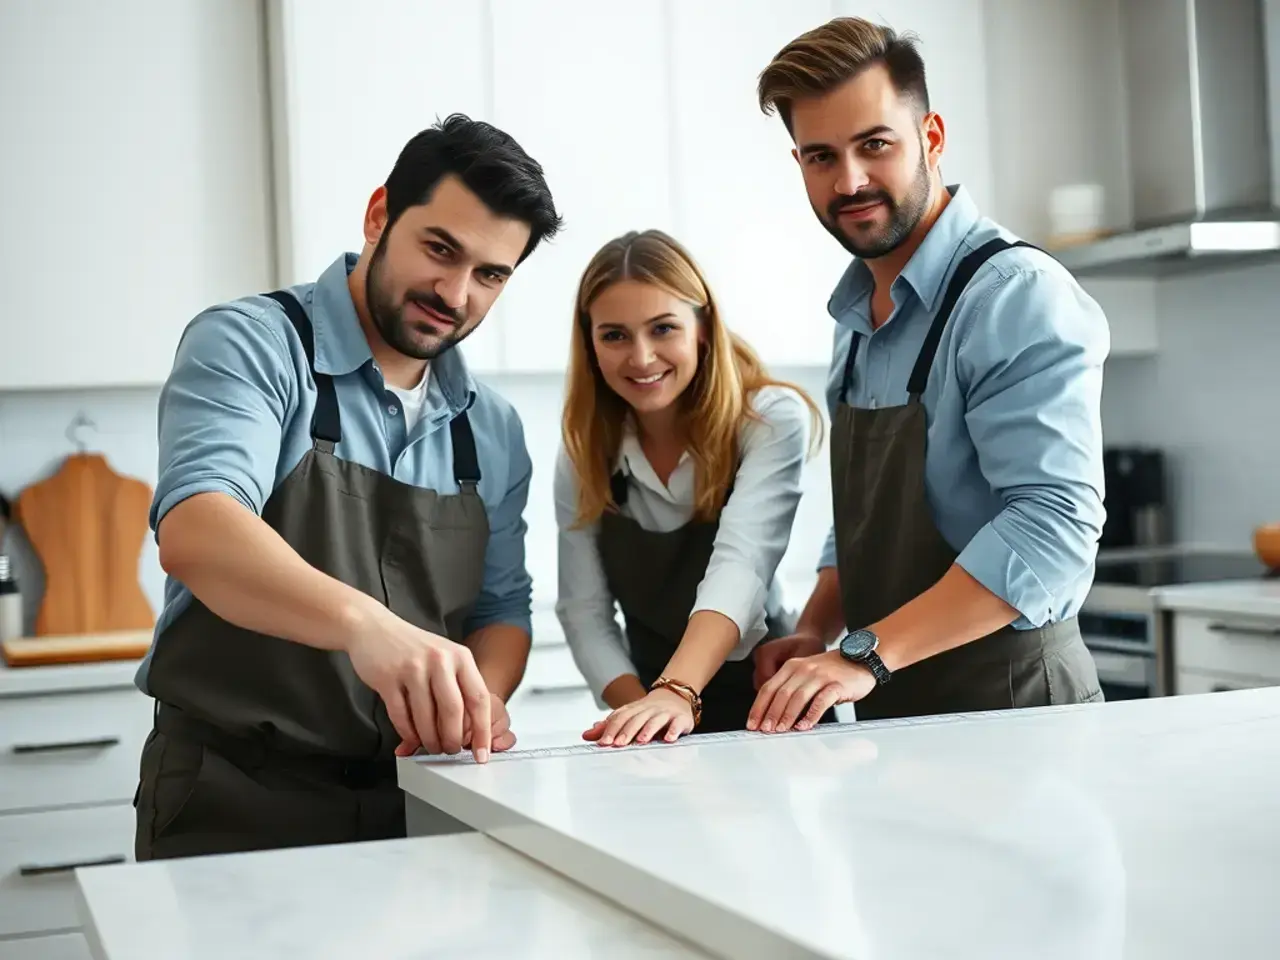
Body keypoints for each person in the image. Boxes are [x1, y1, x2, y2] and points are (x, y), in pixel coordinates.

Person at [132, 114, 561, 860]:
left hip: (422, 802)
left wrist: (482, 698)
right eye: (440, 248)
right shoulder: (253, 344)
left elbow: (501, 609)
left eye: (490, 274)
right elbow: (198, 528)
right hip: (235, 796)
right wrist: (367, 628)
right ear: (378, 216)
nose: (456, 293)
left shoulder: (491, 428)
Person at [746, 17, 1108, 733]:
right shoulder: (858, 315)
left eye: (874, 144)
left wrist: (867, 654)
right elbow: (865, 524)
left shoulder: (1012, 295)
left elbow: (1053, 529)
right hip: (899, 715)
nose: (849, 181)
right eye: (821, 156)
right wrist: (818, 629)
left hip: (1015, 711)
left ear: (931, 137)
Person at [554, 229, 824, 746]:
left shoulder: (765, 421)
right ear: (589, 343)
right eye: (614, 335)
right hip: (653, 709)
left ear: (702, 326)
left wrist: (677, 693)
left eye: (662, 329)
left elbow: (740, 565)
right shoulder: (583, 454)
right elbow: (584, 611)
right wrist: (645, 716)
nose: (641, 357)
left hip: (772, 708)